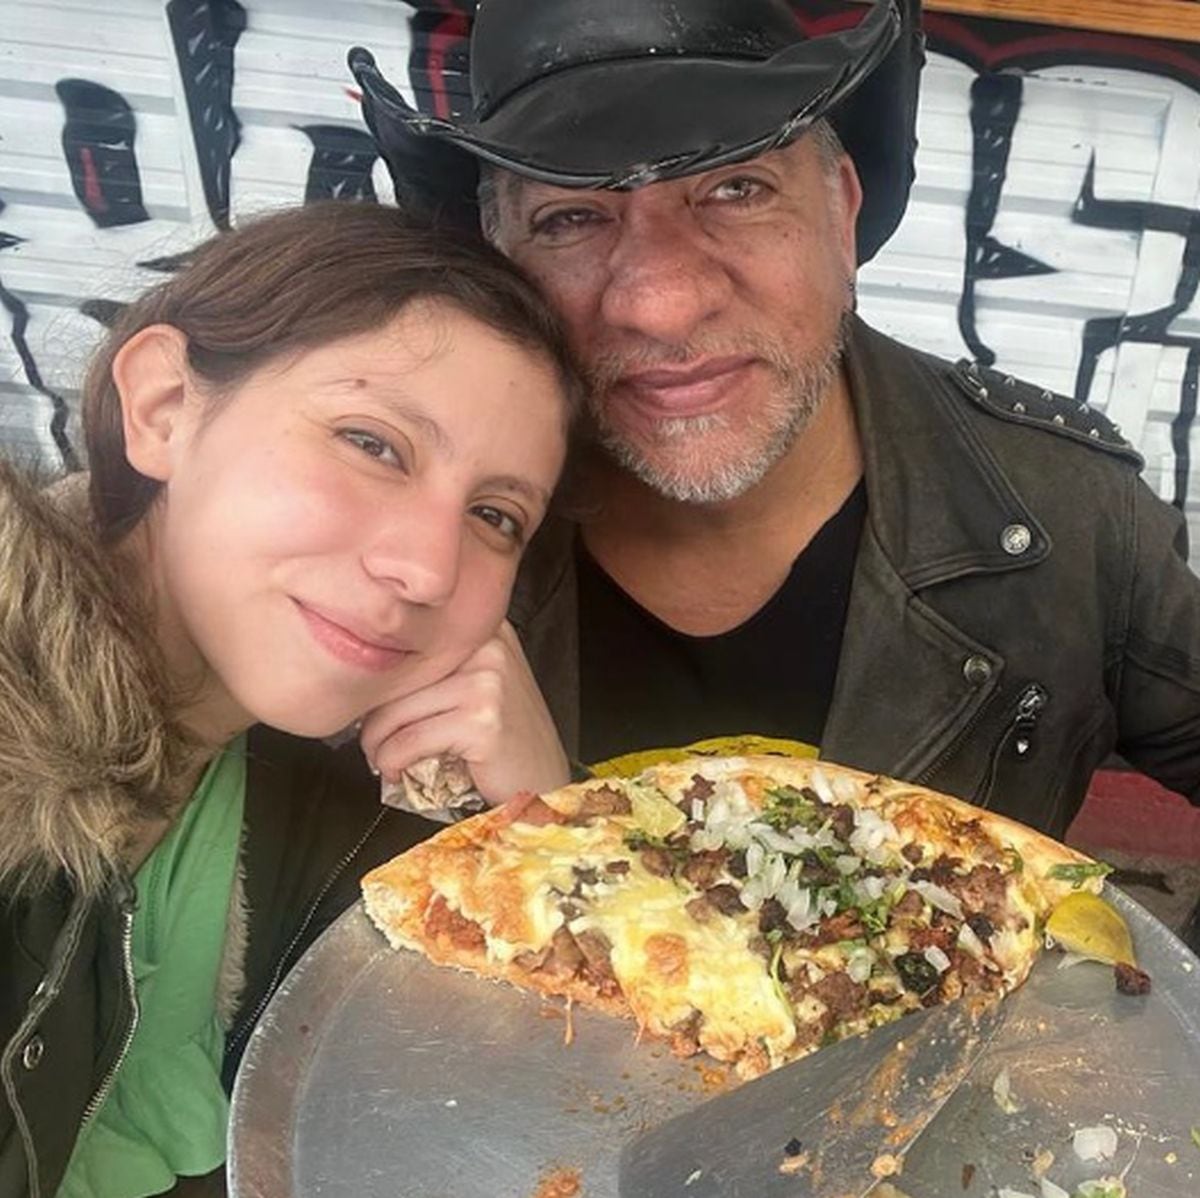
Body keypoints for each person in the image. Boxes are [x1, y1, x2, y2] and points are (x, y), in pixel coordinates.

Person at [351, 0, 1200, 839]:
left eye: (735, 188)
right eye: (571, 217)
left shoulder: (1073, 517)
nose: (661, 304)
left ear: (841, 210)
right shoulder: (412, 542)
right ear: (503, 265)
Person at [0, 200, 578, 1198]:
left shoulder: (324, 779)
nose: (428, 570)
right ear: (164, 406)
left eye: (494, 514)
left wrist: (544, 837)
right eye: (373, 443)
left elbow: (544, 1118)